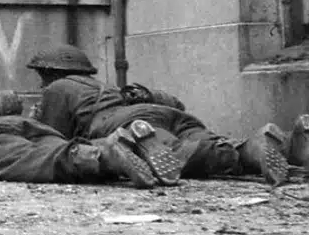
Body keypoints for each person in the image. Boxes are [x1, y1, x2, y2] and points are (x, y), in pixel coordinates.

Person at [27, 44, 288, 186]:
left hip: (129, 123)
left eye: (42, 78)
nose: (40, 85)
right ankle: (256, 145)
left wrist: (34, 118)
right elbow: (178, 104)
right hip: (167, 114)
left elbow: (53, 141)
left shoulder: (58, 89)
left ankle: (241, 152)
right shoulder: (109, 87)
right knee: (209, 144)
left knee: (171, 150)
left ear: (51, 74)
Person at [0, 53, 160, 187]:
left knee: (36, 162)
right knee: (51, 147)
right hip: (17, 123)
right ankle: (117, 142)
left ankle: (105, 156)